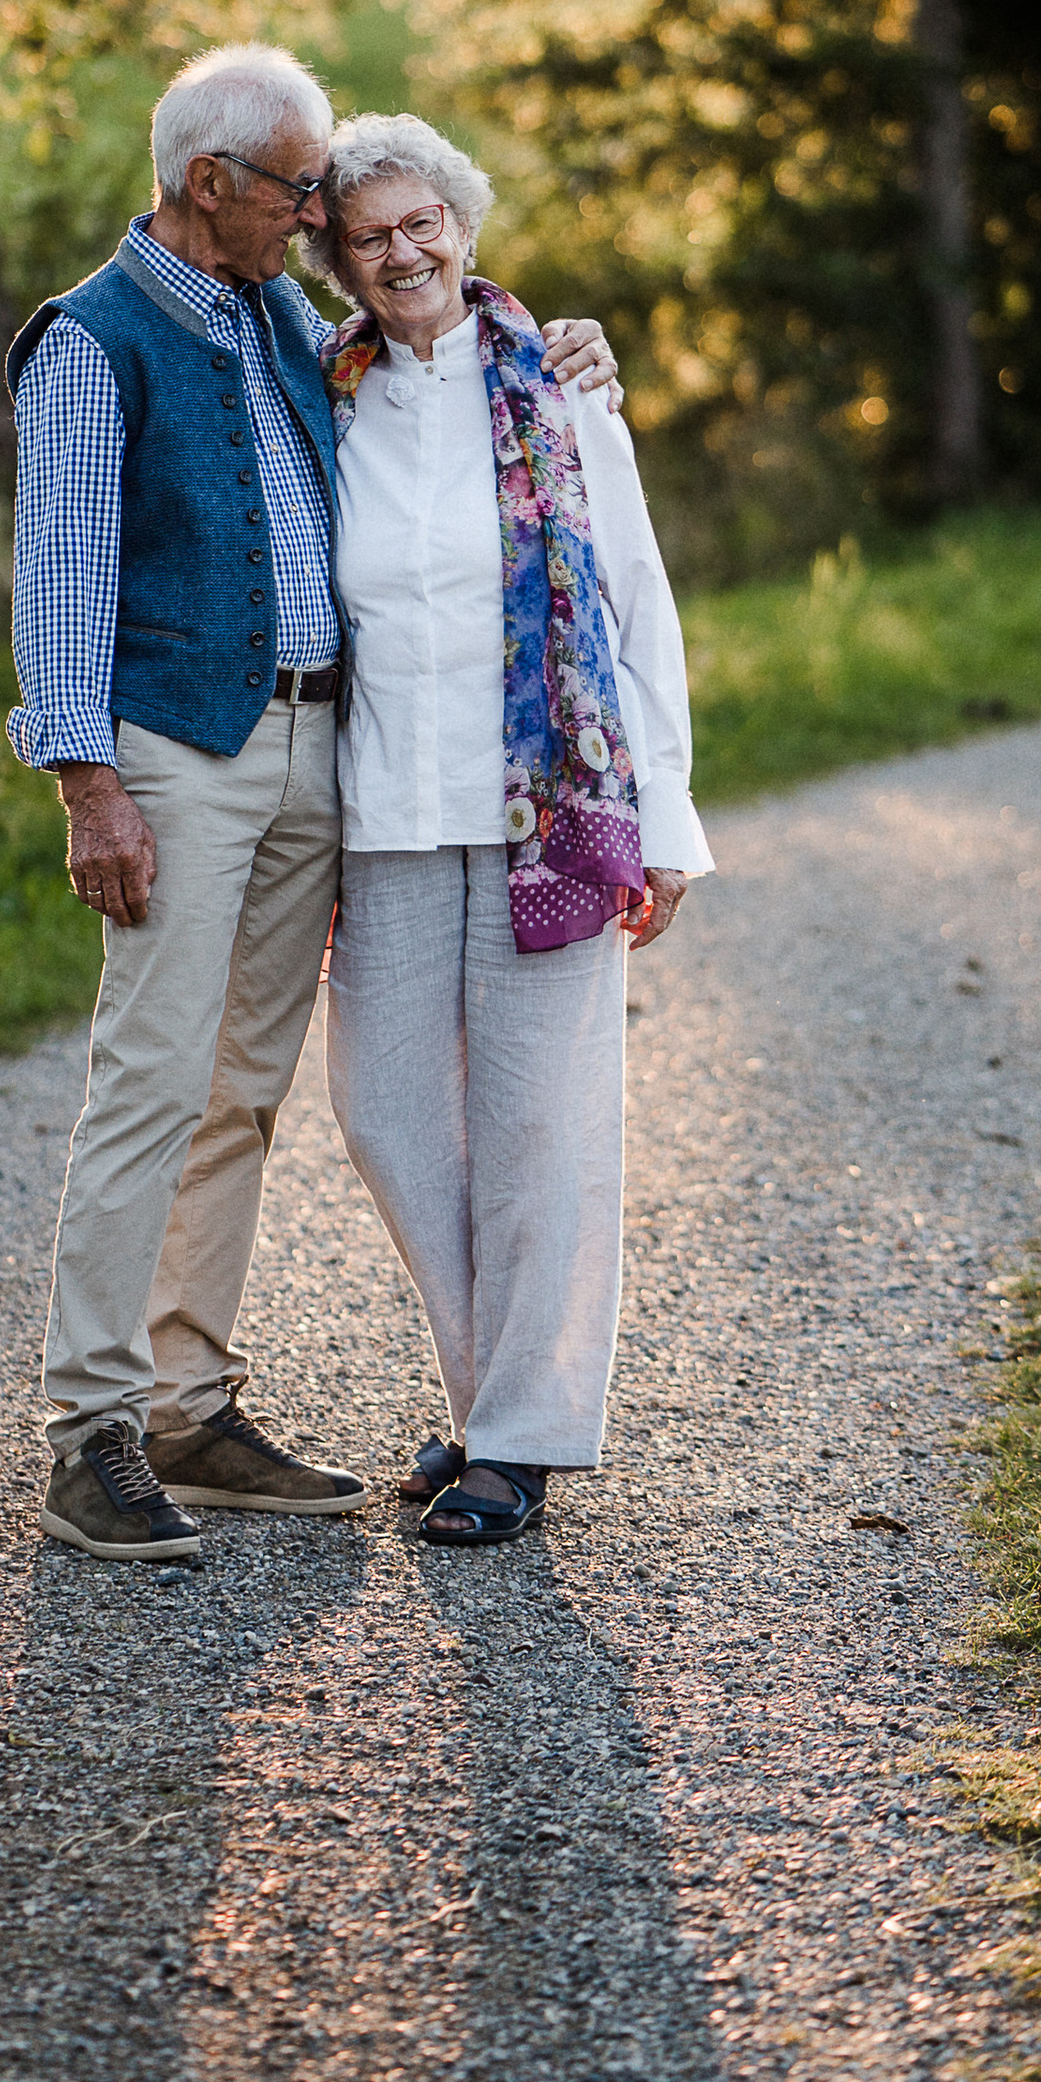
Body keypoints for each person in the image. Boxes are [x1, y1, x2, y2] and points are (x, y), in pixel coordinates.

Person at [5, 44, 625, 1565]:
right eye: (298, 188)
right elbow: (61, 577)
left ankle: (189, 1403)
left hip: (317, 755)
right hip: (179, 754)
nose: (319, 212)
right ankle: (93, 1427)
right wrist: (88, 784)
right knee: (153, 1076)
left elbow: (442, 357)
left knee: (243, 1092)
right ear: (208, 182)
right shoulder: (93, 342)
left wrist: (561, 349)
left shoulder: (287, 314)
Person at [313, 113, 711, 1549]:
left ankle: (520, 1441)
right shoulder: (328, 393)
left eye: (424, 222)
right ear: (340, 262)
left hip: (549, 809)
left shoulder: (558, 378)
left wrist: (665, 810)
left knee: (542, 1126)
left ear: (463, 225)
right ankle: (489, 1400)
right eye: (371, 236)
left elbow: (638, 599)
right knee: (389, 1115)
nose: (404, 250)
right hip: (385, 814)